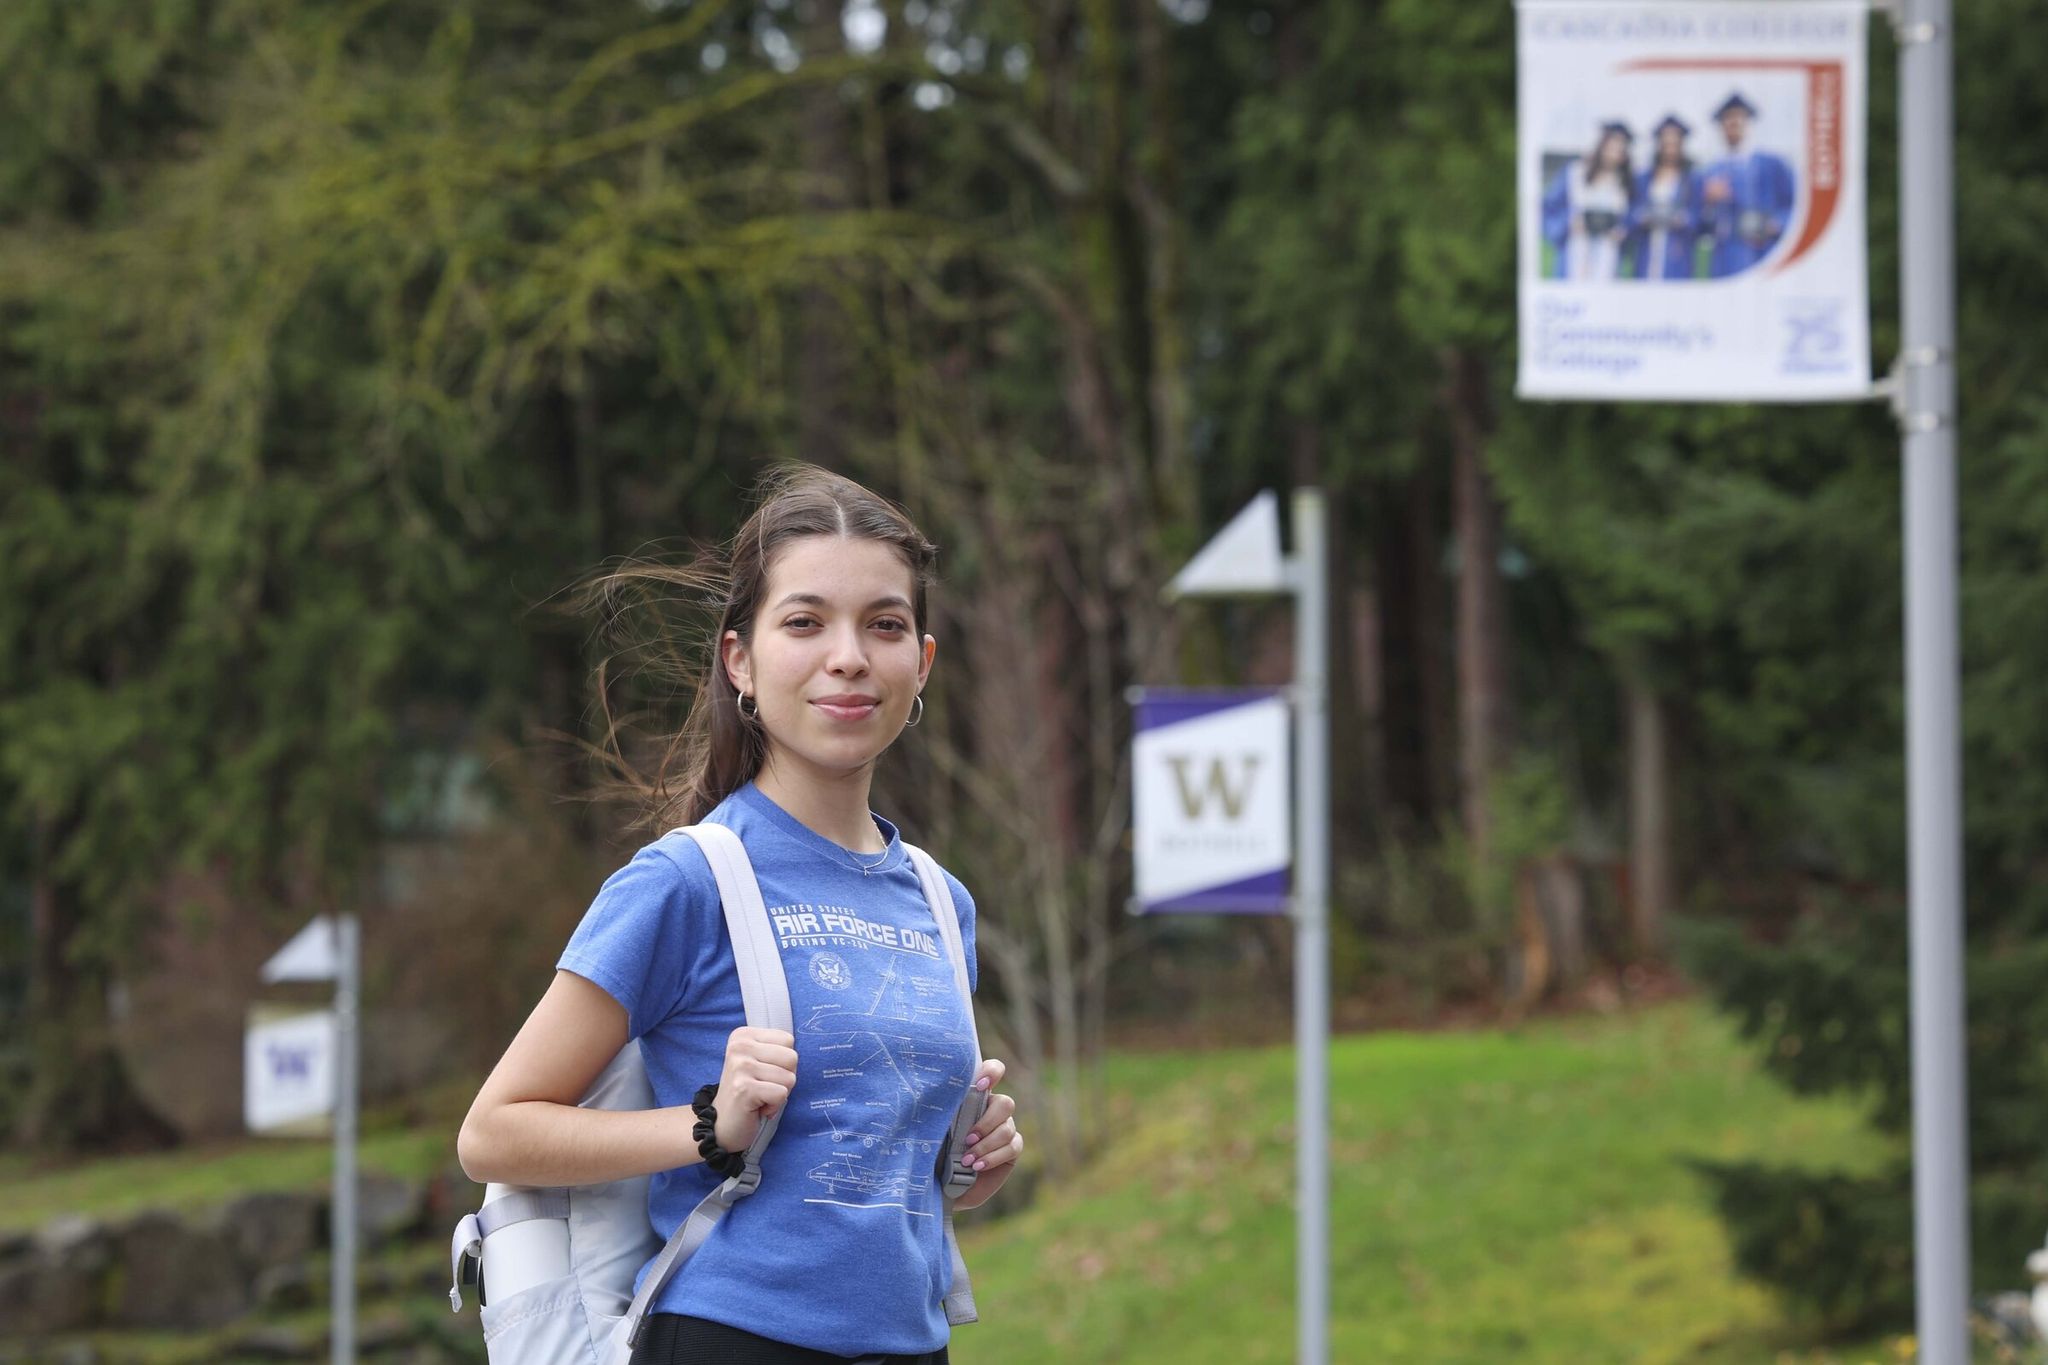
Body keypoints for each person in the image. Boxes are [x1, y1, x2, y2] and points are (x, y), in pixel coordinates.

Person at [458, 466, 1022, 1365]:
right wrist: (703, 1126)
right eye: (805, 622)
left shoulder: (940, 901)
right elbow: (494, 1130)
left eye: (883, 624)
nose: (848, 655)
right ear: (740, 661)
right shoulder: (685, 884)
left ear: (921, 663)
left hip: (915, 1345)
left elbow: (864, 1174)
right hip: (730, 1340)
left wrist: (967, 1162)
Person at [1699, 92, 1797, 277]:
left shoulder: (1772, 164)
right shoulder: (1711, 171)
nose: (1734, 124)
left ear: (1748, 122)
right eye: (1728, 120)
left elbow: (1792, 205)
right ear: (1721, 127)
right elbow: (1704, 225)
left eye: (1739, 118)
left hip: (1762, 250)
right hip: (1724, 256)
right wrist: (1709, 203)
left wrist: (1776, 224)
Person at [1541, 121, 1637, 281]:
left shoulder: (1625, 184)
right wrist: (1568, 223)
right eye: (1611, 147)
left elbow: (1631, 221)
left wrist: (1623, 232)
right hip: (1574, 253)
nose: (1614, 154)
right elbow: (1548, 208)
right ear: (1601, 146)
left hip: (1608, 256)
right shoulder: (1574, 173)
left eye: (1620, 150)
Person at [1629, 115, 1703, 281]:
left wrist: (1682, 219)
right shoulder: (1643, 179)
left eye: (1674, 144)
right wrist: (1641, 217)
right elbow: (1630, 215)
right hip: (1648, 249)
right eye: (1666, 143)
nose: (1670, 149)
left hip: (1676, 251)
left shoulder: (1691, 180)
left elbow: (1698, 219)